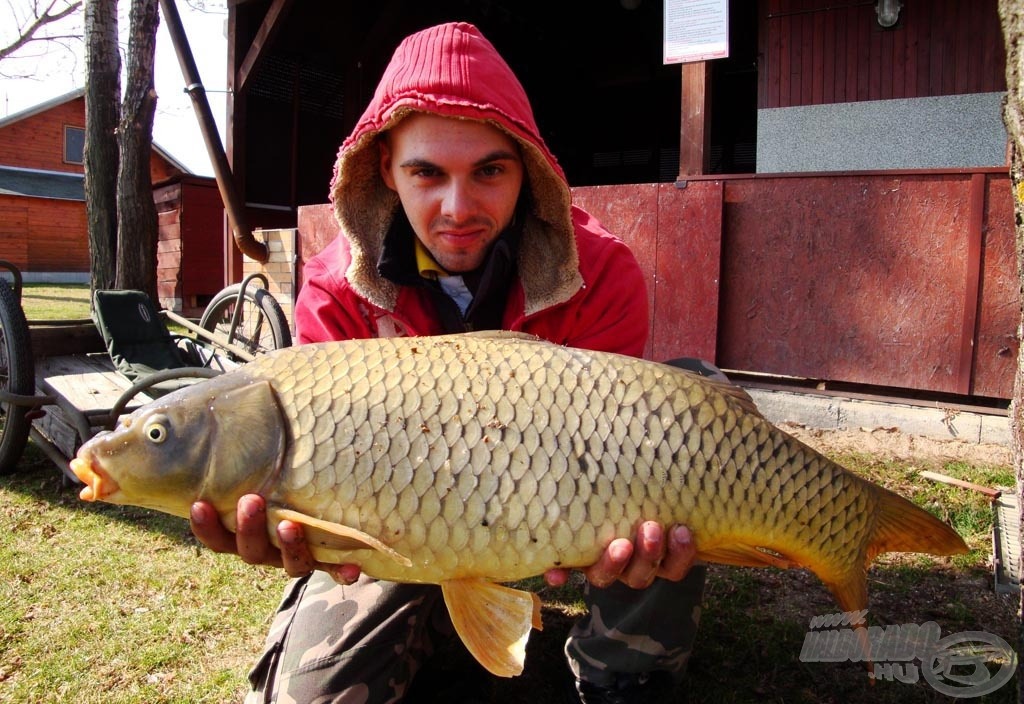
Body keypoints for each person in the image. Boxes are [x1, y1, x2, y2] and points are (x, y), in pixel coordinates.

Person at [189, 21, 707, 704]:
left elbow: (615, 461)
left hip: (564, 508)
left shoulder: (601, 270)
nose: (458, 209)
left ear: (528, 170)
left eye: (490, 171)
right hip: (401, 528)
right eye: (427, 173)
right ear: (385, 169)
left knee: (682, 433)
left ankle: (625, 669)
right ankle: (434, 623)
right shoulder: (333, 291)